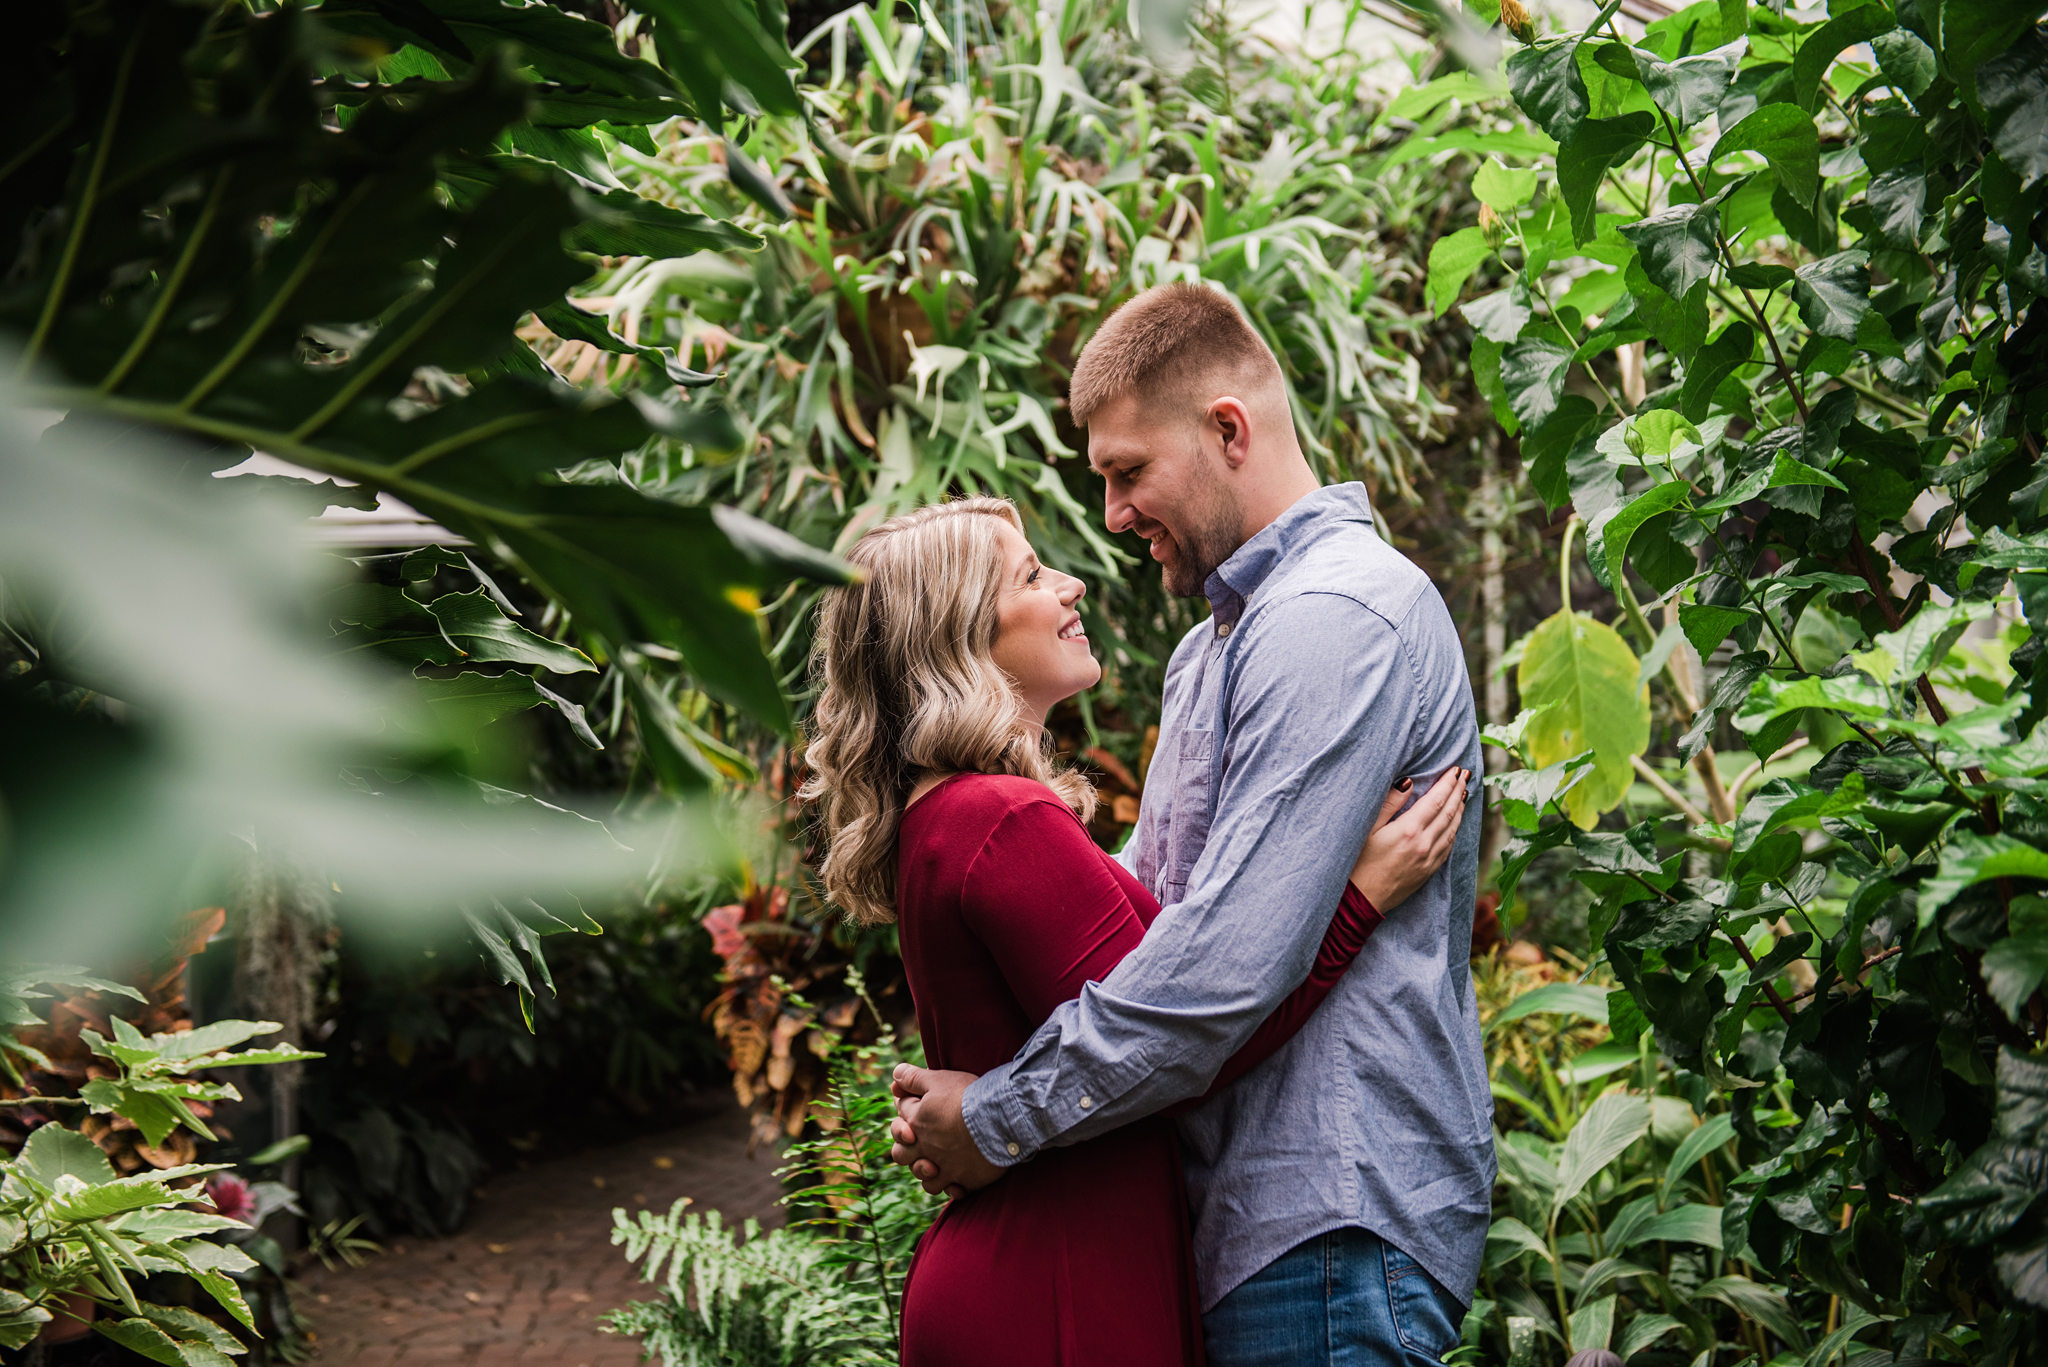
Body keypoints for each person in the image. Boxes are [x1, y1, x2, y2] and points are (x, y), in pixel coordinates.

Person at [886, 282, 1496, 1367]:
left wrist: (996, 1117)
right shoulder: (1211, 646)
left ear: (1226, 430)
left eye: (1128, 472)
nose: (1113, 516)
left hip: (1322, 1221)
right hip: (1244, 1227)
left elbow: (1217, 973)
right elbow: (1148, 925)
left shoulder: (1331, 616)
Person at [801, 495, 1470, 1366]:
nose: (1072, 583)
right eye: (1032, 575)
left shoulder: (952, 814)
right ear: (961, 634)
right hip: (1055, 1277)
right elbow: (1188, 1035)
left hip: (1045, 1261)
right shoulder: (1000, 817)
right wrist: (1357, 902)